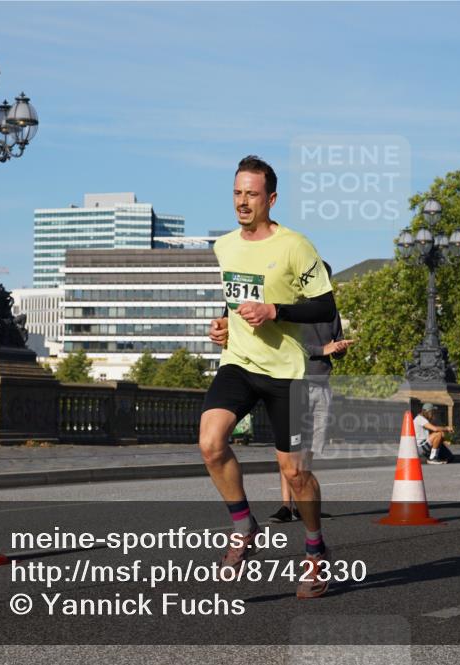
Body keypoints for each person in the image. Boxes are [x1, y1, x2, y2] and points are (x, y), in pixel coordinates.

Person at [200, 155, 336, 599]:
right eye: (237, 193)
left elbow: (325, 307)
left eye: (251, 194)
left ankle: (315, 550)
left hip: (286, 373)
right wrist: (222, 323)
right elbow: (233, 300)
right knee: (210, 442)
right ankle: (243, 524)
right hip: (238, 363)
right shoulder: (223, 247)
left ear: (271, 199)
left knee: (295, 475)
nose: (242, 202)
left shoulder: (295, 246)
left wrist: (275, 311)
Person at [270, 263, 354, 523]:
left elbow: (334, 343)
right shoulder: (294, 308)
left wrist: (340, 349)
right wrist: (322, 350)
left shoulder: (331, 312)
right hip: (296, 383)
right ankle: (286, 506)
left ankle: (301, 504)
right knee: (290, 447)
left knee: (309, 450)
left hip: (322, 384)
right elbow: (288, 344)